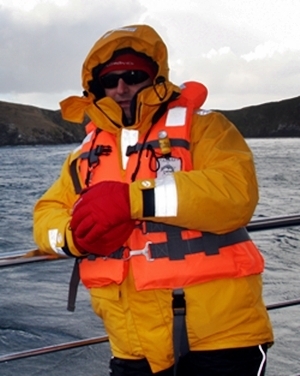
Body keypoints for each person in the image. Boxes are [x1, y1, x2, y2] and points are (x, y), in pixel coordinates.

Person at [33, 24, 274, 376]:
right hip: (132, 348)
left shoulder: (205, 128)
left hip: (222, 340)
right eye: (109, 81)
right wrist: (73, 236)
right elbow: (45, 215)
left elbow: (236, 193)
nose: (121, 88)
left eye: (133, 75)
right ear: (95, 88)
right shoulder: (83, 155)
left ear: (155, 77)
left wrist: (134, 199)